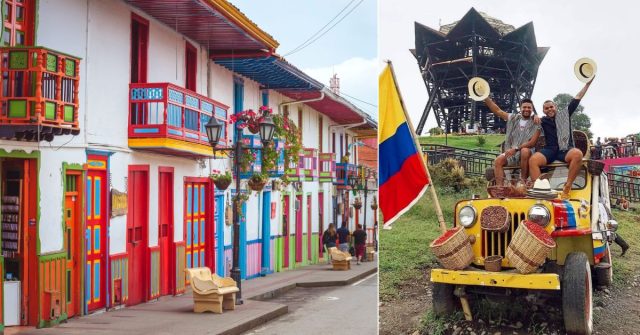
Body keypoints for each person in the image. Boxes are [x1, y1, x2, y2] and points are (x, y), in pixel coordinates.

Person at [529, 77, 594, 199]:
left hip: (565, 150)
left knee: (577, 154)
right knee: (533, 160)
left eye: (551, 107)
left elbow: (578, 97)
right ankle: (541, 190)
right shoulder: (542, 121)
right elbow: (526, 118)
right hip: (550, 150)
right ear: (544, 110)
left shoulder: (565, 114)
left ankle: (567, 186)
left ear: (556, 107)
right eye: (546, 108)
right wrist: (534, 115)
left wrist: (587, 84)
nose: (549, 109)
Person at [483, 97, 541, 186]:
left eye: (529, 107)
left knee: (524, 151)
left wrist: (516, 149)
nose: (526, 109)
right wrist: (486, 98)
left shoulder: (535, 121)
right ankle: (499, 188)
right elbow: (498, 111)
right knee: (498, 161)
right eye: (524, 107)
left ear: (532, 109)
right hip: (511, 153)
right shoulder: (513, 118)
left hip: (527, 154)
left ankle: (523, 182)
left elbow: (532, 143)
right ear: (520, 108)